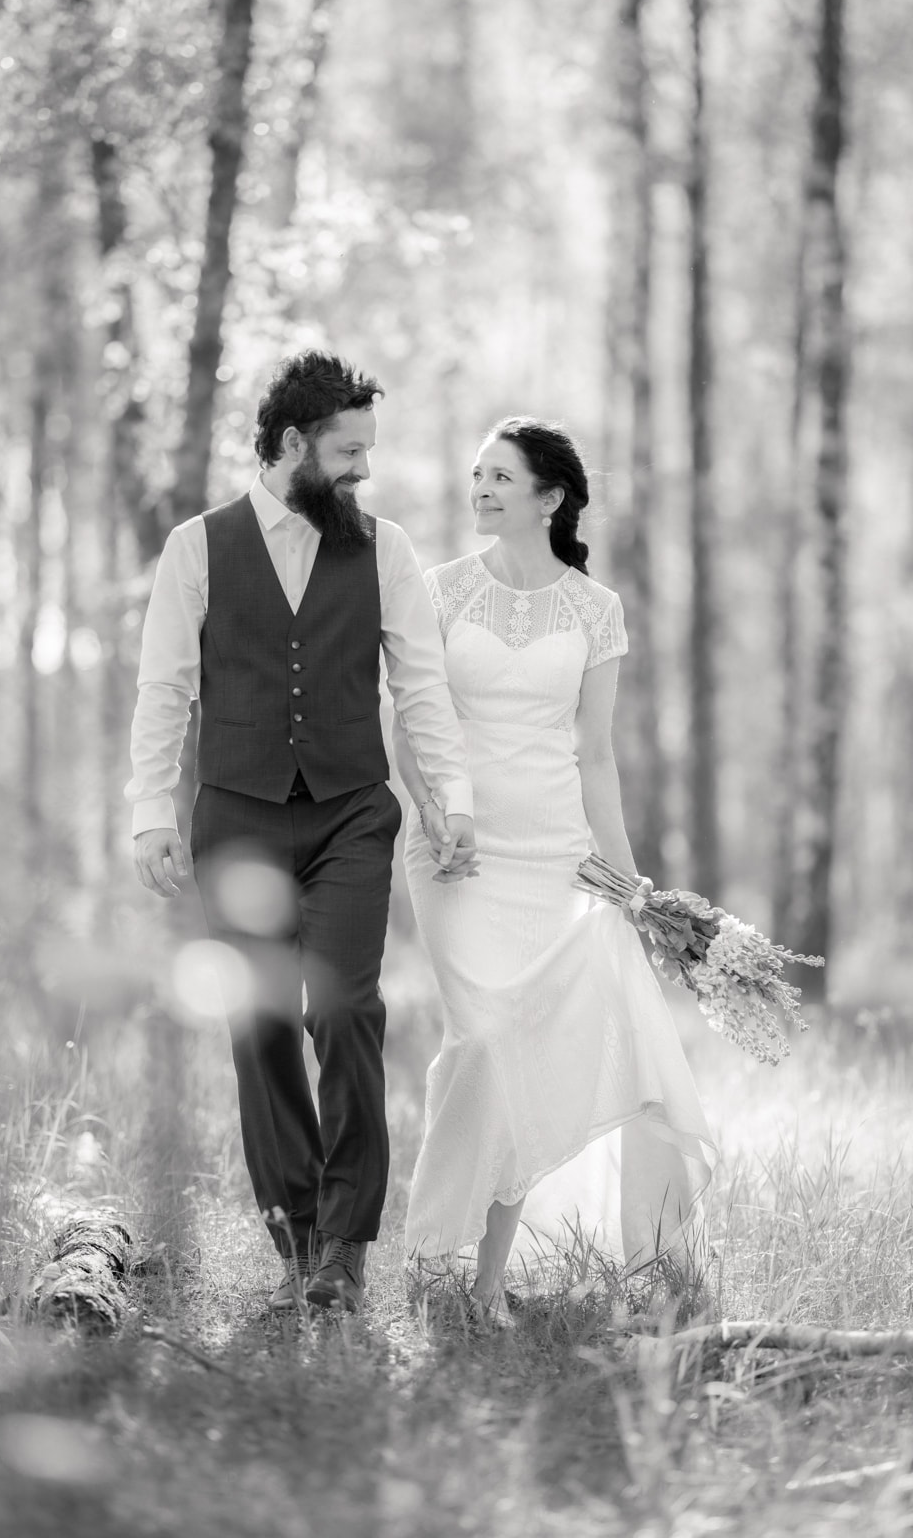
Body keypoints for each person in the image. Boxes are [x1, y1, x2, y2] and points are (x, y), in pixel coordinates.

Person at [126, 351, 477, 1315]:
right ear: (293, 445)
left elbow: (420, 687)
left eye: (368, 449)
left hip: (352, 813)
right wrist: (150, 811)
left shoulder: (386, 549)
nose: (363, 468)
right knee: (262, 1022)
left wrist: (454, 798)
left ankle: (349, 1244)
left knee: (345, 1008)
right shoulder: (197, 547)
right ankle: (297, 1241)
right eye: (348, 449)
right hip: (235, 815)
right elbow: (164, 689)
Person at [394, 417, 717, 1327]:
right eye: (477, 475)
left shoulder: (594, 608)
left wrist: (630, 884)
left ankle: (484, 1280)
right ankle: (429, 1253)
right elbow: (407, 723)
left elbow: (597, 758)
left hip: (557, 857)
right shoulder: (439, 592)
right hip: (455, 853)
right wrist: (429, 810)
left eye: (502, 477)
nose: (482, 490)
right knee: (486, 1039)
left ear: (551, 497)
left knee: (518, 1054)